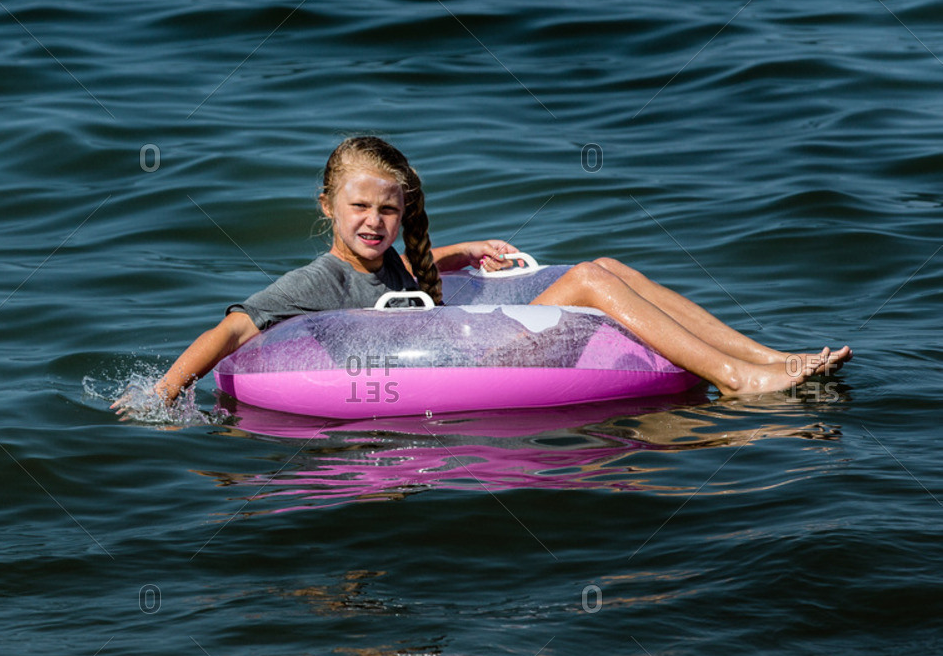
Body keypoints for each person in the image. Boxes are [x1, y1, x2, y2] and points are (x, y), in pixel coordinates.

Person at [117, 136, 851, 413]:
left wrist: (458, 254)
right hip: (452, 361)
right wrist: (164, 391)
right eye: (359, 208)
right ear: (326, 208)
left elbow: (409, 277)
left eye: (389, 209)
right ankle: (740, 380)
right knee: (591, 284)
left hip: (472, 342)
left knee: (606, 265)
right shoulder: (315, 281)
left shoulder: (394, 260)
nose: (374, 221)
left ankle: (763, 356)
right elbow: (235, 326)